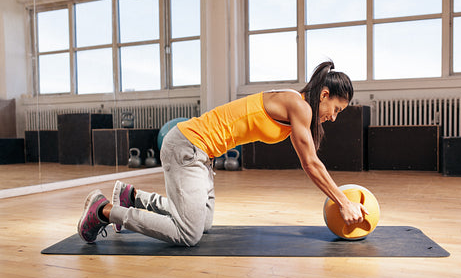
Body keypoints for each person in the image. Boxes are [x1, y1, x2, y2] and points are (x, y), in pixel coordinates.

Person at [77, 60, 368, 246]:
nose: (334, 117)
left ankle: (133, 197)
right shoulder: (300, 105)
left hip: (201, 155)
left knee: (201, 225)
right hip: (187, 147)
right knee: (187, 234)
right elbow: (311, 164)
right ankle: (103, 211)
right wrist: (342, 201)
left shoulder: (297, 107)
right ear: (325, 95)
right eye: (337, 110)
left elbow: (310, 160)